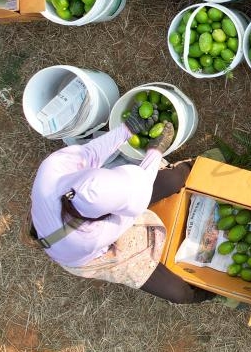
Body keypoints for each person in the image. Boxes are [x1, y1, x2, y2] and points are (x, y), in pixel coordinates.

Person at [29, 105, 214, 304]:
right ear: (108, 213)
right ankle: (206, 294)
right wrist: (154, 152)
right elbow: (133, 207)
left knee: (172, 180)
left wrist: (127, 129)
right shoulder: (91, 237)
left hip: (62, 222)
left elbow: (91, 152)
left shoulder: (54, 168)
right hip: (87, 253)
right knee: (178, 293)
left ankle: (196, 167)